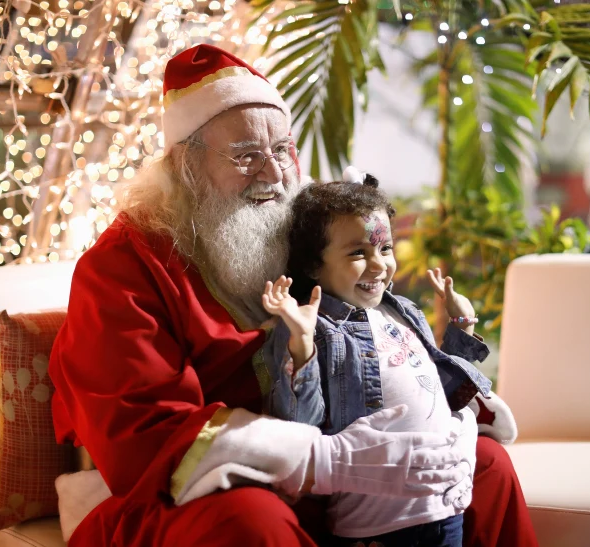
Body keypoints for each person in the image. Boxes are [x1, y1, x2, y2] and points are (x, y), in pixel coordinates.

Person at [48, 42, 538, 547]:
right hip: (193, 493)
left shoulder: (302, 232)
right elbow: (145, 435)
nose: (274, 173)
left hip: (337, 471)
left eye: (282, 150)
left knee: (483, 466)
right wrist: (326, 460)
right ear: (186, 167)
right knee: (251, 520)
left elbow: (372, 333)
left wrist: (438, 416)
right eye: (246, 156)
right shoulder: (122, 266)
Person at [263, 174, 493, 547]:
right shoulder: (311, 327)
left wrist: (462, 327)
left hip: (445, 507)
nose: (379, 265)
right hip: (377, 527)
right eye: (358, 253)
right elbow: (300, 430)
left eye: (385, 248)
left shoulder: (404, 310)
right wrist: (301, 344)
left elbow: (441, 394)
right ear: (313, 265)